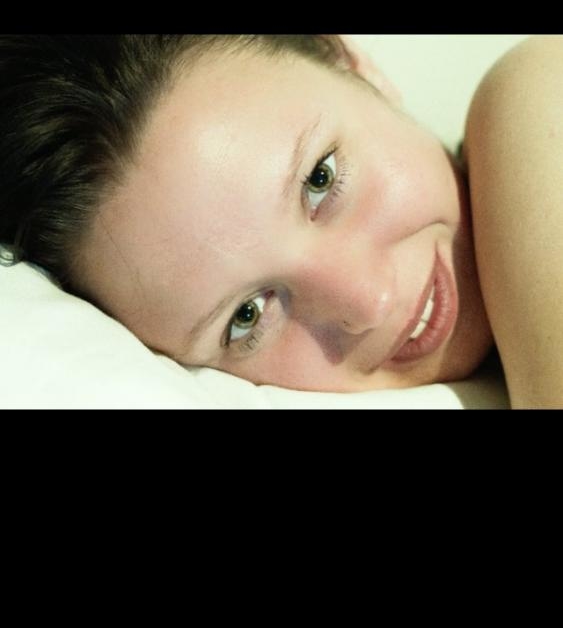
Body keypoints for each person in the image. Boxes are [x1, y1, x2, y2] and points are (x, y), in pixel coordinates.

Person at [0, 34, 561, 407]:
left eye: (321, 179)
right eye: (247, 316)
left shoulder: (538, 96)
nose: (370, 301)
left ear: (349, 63)